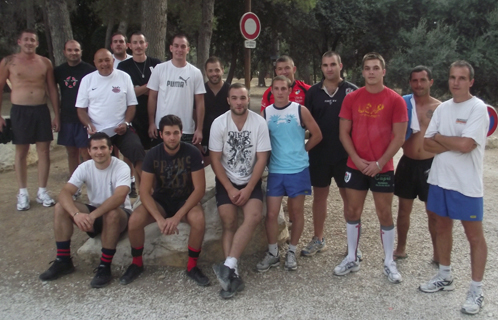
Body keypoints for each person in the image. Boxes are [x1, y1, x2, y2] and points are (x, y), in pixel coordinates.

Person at [419, 60, 489, 315]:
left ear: (470, 81)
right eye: (452, 77)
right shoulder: (443, 108)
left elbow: (466, 145)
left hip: (466, 184)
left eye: (461, 78)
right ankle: (445, 276)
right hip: (440, 180)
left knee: (474, 236)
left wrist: (441, 139)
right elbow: (427, 144)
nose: (456, 82)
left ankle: (476, 290)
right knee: (442, 227)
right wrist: (453, 142)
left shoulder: (478, 108)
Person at [336, 52, 407, 284]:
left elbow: (399, 136)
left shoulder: (396, 100)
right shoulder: (352, 98)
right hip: (355, 165)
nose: (371, 72)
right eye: (367, 68)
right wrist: (356, 160)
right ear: (363, 72)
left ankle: (388, 262)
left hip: (382, 168)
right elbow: (343, 132)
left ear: (383, 71)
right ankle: (351, 257)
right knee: (352, 211)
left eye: (376, 68)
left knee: (384, 213)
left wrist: (378, 163)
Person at [119, 115, 210, 287]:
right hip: (161, 201)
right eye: (167, 133)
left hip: (185, 200)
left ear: (181, 133)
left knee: (198, 219)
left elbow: (199, 189)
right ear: (161, 134)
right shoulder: (153, 154)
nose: (172, 137)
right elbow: (144, 191)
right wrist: (160, 220)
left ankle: (192, 266)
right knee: (135, 221)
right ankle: (137, 263)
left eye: (176, 133)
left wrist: (177, 217)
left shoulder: (192, 152)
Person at [39, 132, 131, 288]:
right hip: (94, 214)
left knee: (112, 213)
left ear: (110, 149)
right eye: (95, 148)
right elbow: (64, 193)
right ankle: (63, 260)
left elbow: (119, 197)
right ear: (89, 151)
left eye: (103, 147)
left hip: (119, 215)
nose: (99, 152)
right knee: (61, 207)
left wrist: (93, 215)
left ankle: (104, 266)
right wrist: (76, 215)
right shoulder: (85, 167)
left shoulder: (121, 166)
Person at [210, 83, 271, 299]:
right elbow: (215, 159)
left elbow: (262, 158)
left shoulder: (259, 123)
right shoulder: (219, 123)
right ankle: (232, 274)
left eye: (242, 98)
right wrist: (228, 187)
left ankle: (228, 267)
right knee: (229, 222)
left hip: (250, 180)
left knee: (254, 216)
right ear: (228, 100)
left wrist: (249, 188)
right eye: (234, 98)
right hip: (227, 180)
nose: (239, 102)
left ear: (248, 100)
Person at [257, 75, 322, 272]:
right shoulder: (265, 113)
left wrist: (303, 150)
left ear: (289, 90)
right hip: (276, 170)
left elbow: (317, 134)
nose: (280, 92)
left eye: (283, 88)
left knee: (296, 212)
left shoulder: (300, 110)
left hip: (298, 170)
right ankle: (273, 253)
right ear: (271, 91)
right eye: (276, 88)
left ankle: (292, 251)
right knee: (271, 214)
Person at [301, 51, 358, 257]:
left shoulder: (352, 91)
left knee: (349, 199)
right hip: (319, 155)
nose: (329, 69)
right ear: (322, 67)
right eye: (325, 65)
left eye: (333, 64)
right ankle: (318, 238)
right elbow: (305, 124)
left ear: (340, 65)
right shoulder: (313, 92)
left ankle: (353, 245)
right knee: (319, 197)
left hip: (345, 155)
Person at [0, 29, 60, 211]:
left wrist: (56, 114)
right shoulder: (9, 62)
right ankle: (23, 192)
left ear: (37, 43)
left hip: (41, 110)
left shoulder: (45, 62)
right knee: (21, 152)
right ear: (19, 41)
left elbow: (51, 89)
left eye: (32, 40)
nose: (29, 42)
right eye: (26, 39)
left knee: (44, 151)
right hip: (20, 110)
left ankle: (42, 190)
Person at [75, 49, 145, 186]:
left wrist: (126, 122)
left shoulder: (124, 77)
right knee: (103, 163)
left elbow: (131, 105)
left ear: (113, 61)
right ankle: (108, 194)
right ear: (94, 63)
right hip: (98, 132)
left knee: (137, 151)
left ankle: (147, 190)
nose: (104, 64)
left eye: (107, 60)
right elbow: (81, 110)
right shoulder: (87, 80)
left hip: (121, 128)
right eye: (100, 61)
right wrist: (89, 125)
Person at [393, 66, 441, 262]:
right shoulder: (404, 104)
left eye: (422, 80)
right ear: (410, 83)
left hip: (431, 164)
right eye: (414, 80)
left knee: (434, 212)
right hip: (407, 162)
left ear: (431, 82)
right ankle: (401, 248)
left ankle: (438, 254)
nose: (418, 84)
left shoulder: (440, 108)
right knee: (403, 210)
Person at [147, 34, 205, 148]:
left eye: (183, 46)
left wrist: (199, 129)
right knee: (163, 163)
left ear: (188, 50)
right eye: (176, 46)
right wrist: (151, 123)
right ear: (171, 48)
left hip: (186, 129)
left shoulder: (195, 73)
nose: (179, 49)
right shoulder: (159, 69)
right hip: (163, 128)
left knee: (184, 164)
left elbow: (200, 103)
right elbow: (152, 97)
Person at [54, 40, 95, 184]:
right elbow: (52, 92)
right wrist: (56, 116)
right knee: (71, 152)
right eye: (70, 50)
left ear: (81, 52)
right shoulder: (59, 71)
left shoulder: (89, 70)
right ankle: (75, 182)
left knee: (86, 152)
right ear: (64, 52)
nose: (73, 53)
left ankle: (91, 180)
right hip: (67, 117)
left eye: (76, 50)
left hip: (84, 117)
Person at [117, 32, 161, 150]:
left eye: (141, 42)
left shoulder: (157, 64)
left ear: (146, 45)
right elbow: (126, 93)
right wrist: (151, 87)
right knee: (132, 151)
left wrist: (137, 89)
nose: (138, 46)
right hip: (133, 115)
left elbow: (162, 90)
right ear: (129, 46)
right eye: (135, 43)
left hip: (155, 114)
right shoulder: (123, 67)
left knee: (154, 151)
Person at [201, 56, 230, 166]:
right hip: (205, 138)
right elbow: (195, 114)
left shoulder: (230, 90)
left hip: (226, 138)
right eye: (210, 71)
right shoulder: (200, 91)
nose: (214, 73)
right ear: (206, 72)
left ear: (222, 70)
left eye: (217, 70)